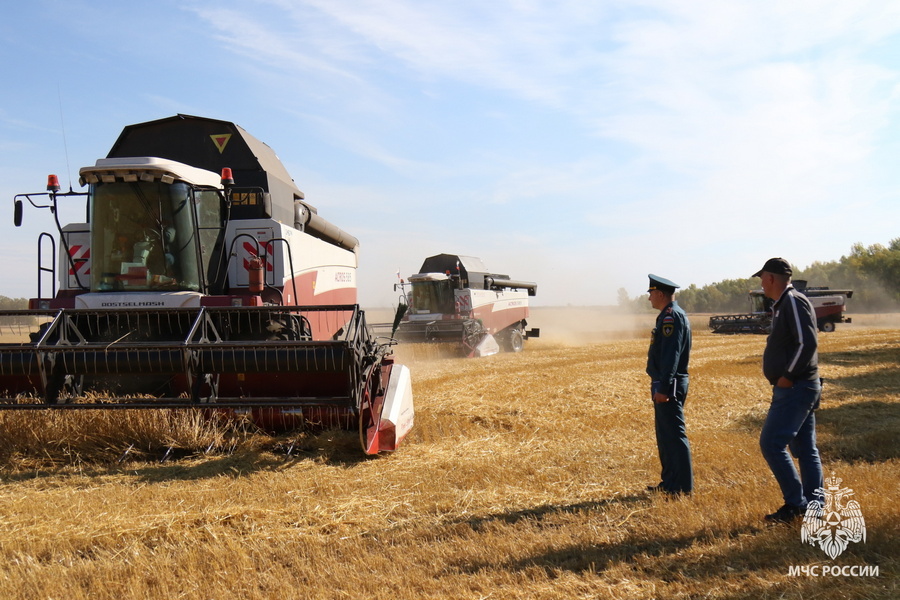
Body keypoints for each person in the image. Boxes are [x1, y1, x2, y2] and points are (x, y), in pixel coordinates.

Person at [753, 258, 823, 523]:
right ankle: (815, 508)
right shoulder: (784, 304)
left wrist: (787, 377)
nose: (761, 283)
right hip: (800, 386)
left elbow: (807, 343)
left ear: (771, 278)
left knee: (771, 443)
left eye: (762, 278)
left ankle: (796, 504)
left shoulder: (792, 301)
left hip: (796, 387)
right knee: (805, 449)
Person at [645, 274, 693, 495]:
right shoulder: (669, 315)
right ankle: (670, 483)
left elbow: (671, 356)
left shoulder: (671, 317)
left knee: (674, 436)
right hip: (666, 382)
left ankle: (682, 488)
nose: (649, 298)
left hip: (669, 384)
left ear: (660, 294)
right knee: (665, 437)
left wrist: (664, 387)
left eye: (651, 293)